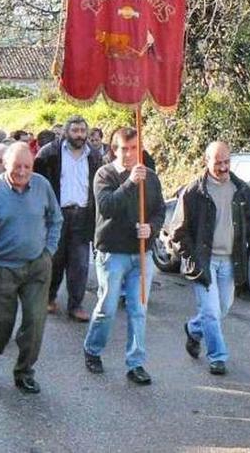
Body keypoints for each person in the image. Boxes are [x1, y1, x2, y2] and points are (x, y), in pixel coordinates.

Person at [0, 143, 63, 394]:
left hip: (36, 267)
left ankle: (24, 372)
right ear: (4, 165)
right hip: (1, 268)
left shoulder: (42, 185)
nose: (22, 172)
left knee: (35, 322)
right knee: (0, 324)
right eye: (16, 166)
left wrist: (49, 251)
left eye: (27, 166)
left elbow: (56, 219)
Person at [170, 141, 250, 376]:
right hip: (204, 261)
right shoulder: (194, 192)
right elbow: (178, 230)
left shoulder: (241, 190)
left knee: (221, 308)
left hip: (230, 260)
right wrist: (191, 257)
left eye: (227, 162)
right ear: (206, 162)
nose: (224, 168)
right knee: (210, 311)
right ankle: (217, 357)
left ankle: (194, 330)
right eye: (218, 164)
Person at [82, 127, 165, 385]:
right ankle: (93, 349)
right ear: (113, 149)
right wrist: (130, 183)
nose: (128, 154)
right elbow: (107, 207)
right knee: (107, 307)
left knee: (138, 309)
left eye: (133, 148)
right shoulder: (104, 174)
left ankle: (136, 362)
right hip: (112, 252)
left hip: (140, 253)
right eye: (123, 149)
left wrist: (151, 228)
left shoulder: (150, 177)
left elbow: (159, 210)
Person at [34, 115, 102, 322]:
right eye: (75, 131)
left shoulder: (95, 156)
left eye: (83, 131)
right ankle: (50, 296)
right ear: (66, 132)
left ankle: (76, 305)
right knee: (55, 259)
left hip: (82, 215)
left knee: (80, 263)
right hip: (57, 215)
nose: (80, 135)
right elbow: (37, 186)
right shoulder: (49, 154)